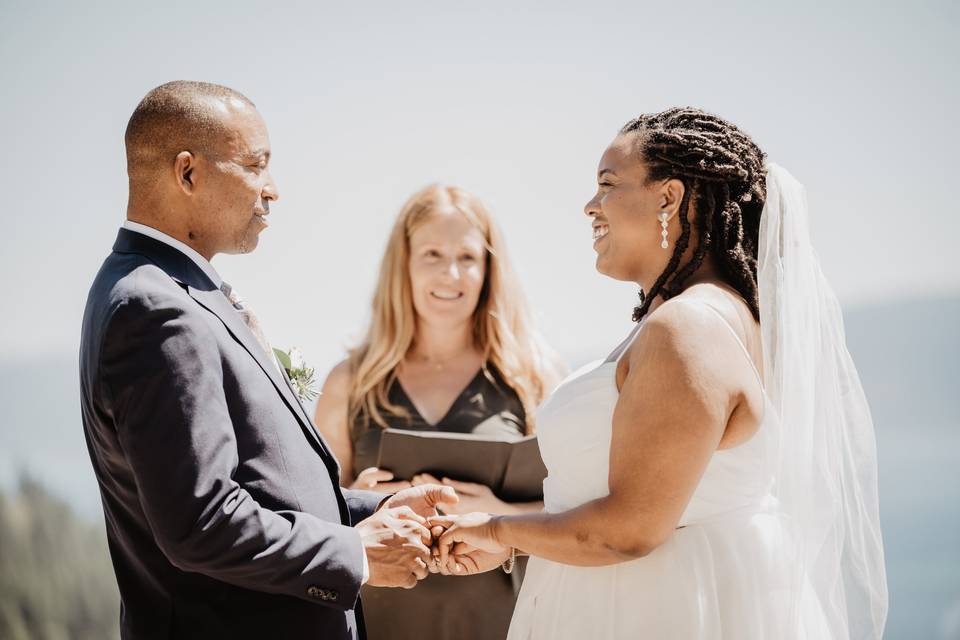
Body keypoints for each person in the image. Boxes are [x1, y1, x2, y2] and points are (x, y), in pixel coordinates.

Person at [433, 108, 888, 639]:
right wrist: (509, 539)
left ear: (668, 199)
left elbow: (630, 529)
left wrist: (496, 529)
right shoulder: (692, 319)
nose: (590, 206)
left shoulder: (688, 327)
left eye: (607, 185)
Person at [78, 80, 458, 640]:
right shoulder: (157, 310)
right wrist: (358, 554)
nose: (272, 189)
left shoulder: (168, 293)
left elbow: (264, 488)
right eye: (256, 165)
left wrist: (380, 509)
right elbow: (201, 522)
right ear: (188, 173)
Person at [313, 184, 561, 639]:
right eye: (432, 254)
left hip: (496, 624)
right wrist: (359, 500)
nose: (451, 274)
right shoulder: (350, 380)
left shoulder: (533, 376)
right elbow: (306, 511)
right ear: (402, 265)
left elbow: (576, 508)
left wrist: (501, 517)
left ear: (489, 269)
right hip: (377, 623)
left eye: (467, 257)